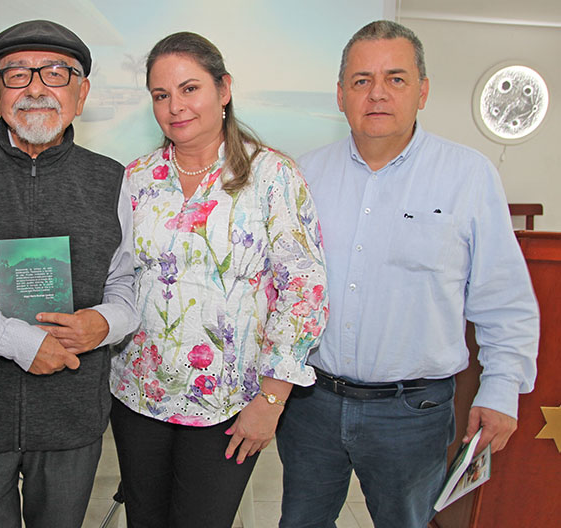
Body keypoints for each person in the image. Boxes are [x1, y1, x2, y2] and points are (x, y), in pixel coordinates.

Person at [276, 20, 539, 528]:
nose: (377, 93)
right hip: (311, 405)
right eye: (360, 80)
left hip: (412, 414)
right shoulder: (302, 176)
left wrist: (502, 390)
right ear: (339, 94)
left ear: (422, 91)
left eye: (395, 78)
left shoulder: (468, 175)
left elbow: (502, 298)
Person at [0, 20, 138, 528]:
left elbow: (126, 281)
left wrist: (104, 322)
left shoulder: (110, 179)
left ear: (80, 95)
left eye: (56, 73)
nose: (36, 87)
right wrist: (19, 341)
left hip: (70, 412)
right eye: (17, 74)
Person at [108, 32, 328, 527]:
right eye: (161, 95)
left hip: (228, 405)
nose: (175, 107)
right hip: (137, 397)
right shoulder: (135, 179)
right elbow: (117, 276)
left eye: (190, 89)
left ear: (223, 89)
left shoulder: (272, 176)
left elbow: (304, 292)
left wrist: (271, 401)